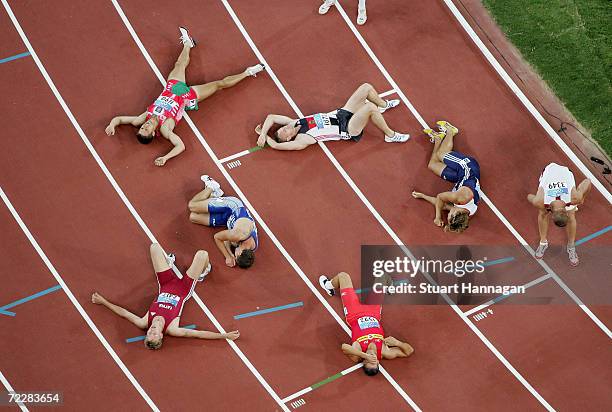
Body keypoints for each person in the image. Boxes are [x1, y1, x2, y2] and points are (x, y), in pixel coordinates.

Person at [105, 27, 265, 166]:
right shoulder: (165, 129)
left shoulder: (141, 118)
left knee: (179, 64)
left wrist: (112, 125)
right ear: (153, 133)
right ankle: (248, 72)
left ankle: (188, 44)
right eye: (146, 130)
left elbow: (119, 119)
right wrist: (166, 158)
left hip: (172, 88)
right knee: (219, 84)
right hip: (187, 97)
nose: (144, 126)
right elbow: (180, 146)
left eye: (142, 128)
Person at [91, 243, 239, 350]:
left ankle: (169, 262)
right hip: (184, 288)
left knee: (154, 247)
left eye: (149, 333)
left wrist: (103, 301)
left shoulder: (144, 322)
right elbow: (198, 334)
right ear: (161, 336)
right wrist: (224, 336)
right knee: (202, 254)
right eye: (154, 334)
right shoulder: (173, 329)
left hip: (165, 282)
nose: (151, 330)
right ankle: (205, 270)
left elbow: (123, 313)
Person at [255, 83, 409, 151]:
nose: (286, 127)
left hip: (342, 113)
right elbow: (276, 146)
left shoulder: (294, 122)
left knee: (366, 88)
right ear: (289, 138)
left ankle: (383, 105)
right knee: (369, 107)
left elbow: (272, 117)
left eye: (283, 127)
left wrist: (263, 132)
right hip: (348, 128)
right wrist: (265, 139)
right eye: (285, 131)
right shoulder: (303, 139)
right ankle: (390, 135)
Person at [319, 272, 413, 375]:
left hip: (353, 313)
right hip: (373, 312)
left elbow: (344, 347)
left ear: (364, 361)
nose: (371, 358)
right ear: (378, 361)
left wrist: (365, 356)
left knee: (343, 276)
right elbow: (409, 351)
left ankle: (328, 286)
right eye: (374, 361)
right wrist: (397, 343)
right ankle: (388, 287)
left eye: (368, 361)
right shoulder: (384, 351)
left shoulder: (358, 353)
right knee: (382, 276)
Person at [412, 121, 480, 233]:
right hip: (468, 167)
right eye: (449, 215)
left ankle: (438, 139)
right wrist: (437, 217)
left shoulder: (465, 211)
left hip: (459, 178)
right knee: (441, 154)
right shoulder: (460, 199)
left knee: (432, 165)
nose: (447, 214)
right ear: (455, 213)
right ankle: (450, 131)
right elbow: (440, 197)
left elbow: (442, 205)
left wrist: (423, 196)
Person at [527, 163, 591, 266]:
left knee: (571, 216)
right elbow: (529, 196)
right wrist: (535, 200)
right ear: (552, 214)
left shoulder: (574, 198)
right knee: (542, 213)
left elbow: (588, 182)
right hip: (549, 170)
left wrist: (581, 199)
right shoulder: (540, 201)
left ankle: (571, 246)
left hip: (565, 172)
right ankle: (543, 242)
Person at [188, 175, 258, 268]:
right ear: (240, 252)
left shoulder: (251, 248)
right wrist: (228, 257)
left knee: (193, 217)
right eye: (236, 255)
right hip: (231, 207)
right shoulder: (239, 235)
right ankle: (212, 186)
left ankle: (214, 196)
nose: (235, 253)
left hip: (227, 219)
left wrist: (231, 254)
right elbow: (217, 237)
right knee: (192, 206)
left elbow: (227, 240)